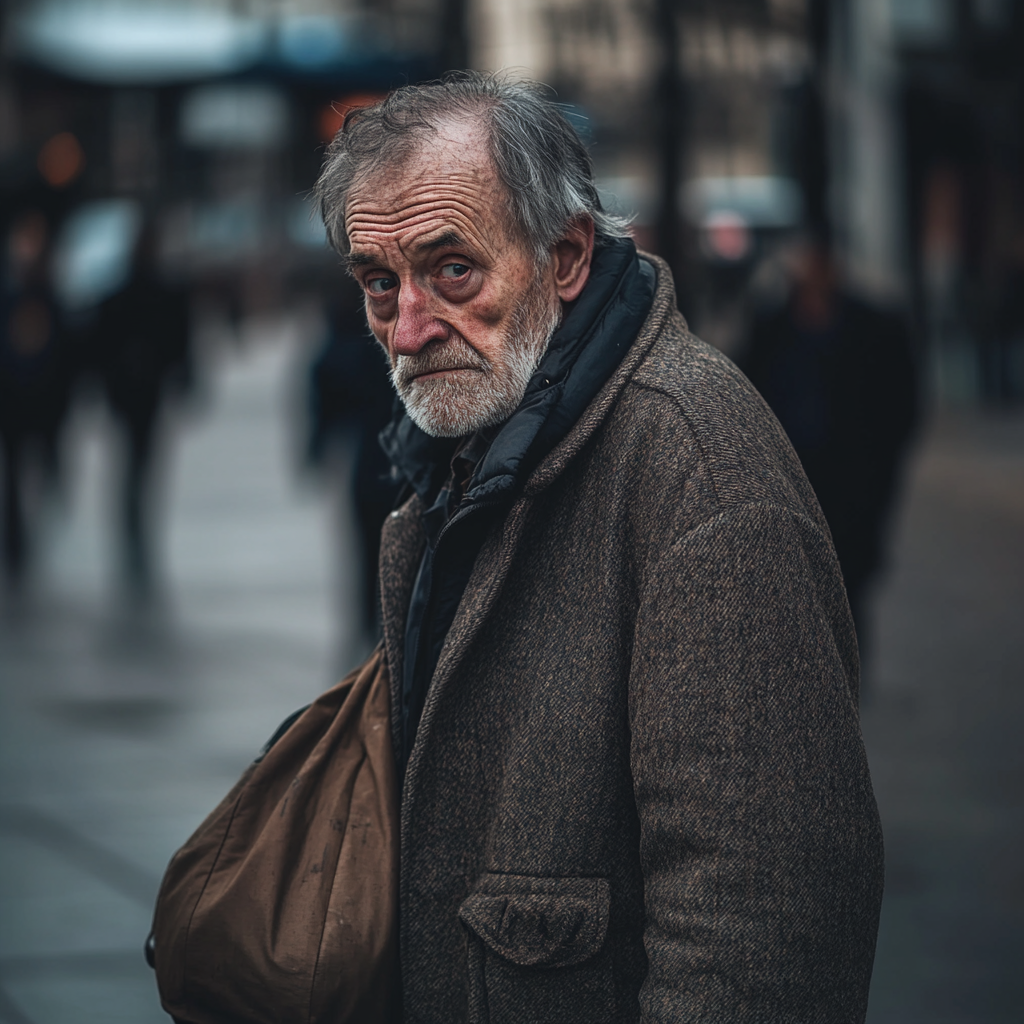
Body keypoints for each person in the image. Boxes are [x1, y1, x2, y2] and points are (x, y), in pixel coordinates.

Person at [315, 72, 884, 1023]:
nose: (406, 329)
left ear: (567, 256)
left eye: (452, 269)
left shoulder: (698, 472)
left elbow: (764, 936)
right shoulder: (465, 445)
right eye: (380, 283)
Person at [740, 238, 919, 662]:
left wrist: (879, 472)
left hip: (852, 484)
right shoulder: (771, 326)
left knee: (847, 588)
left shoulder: (875, 327)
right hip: (787, 480)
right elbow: (747, 393)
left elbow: (901, 409)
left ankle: (846, 684)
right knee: (788, 588)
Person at [90, 221, 192, 595]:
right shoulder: (146, 293)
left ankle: (135, 533)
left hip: (140, 394)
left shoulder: (134, 293)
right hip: (136, 394)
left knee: (138, 468)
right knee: (139, 468)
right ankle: (134, 534)